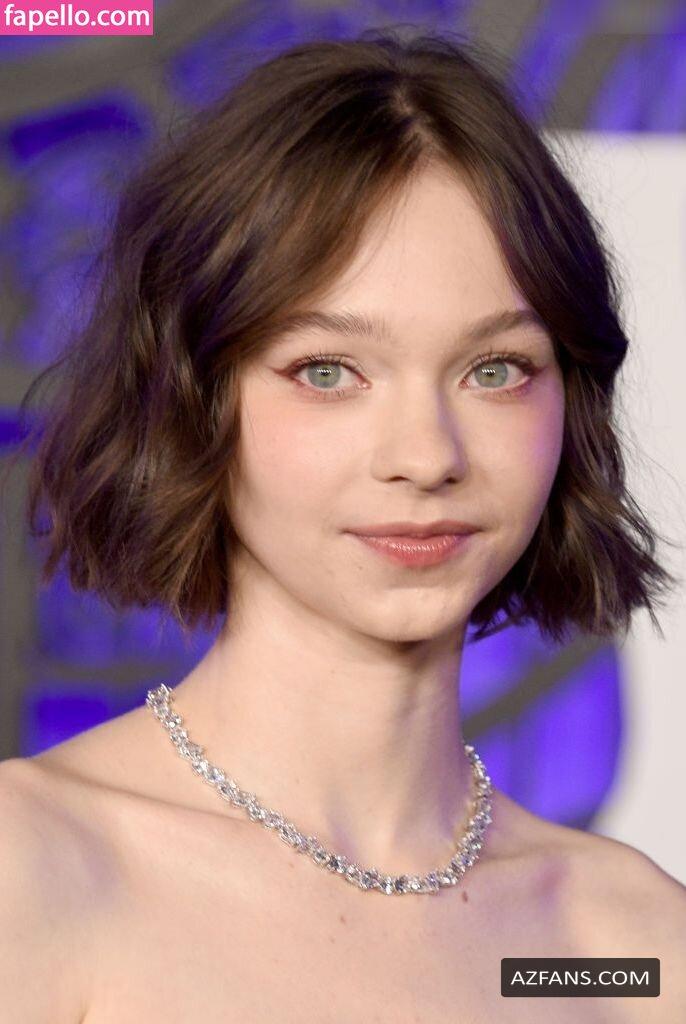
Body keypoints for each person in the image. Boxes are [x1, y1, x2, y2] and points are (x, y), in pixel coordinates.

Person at [1, 28, 684, 1022]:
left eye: (494, 369)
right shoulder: (36, 873)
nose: (426, 454)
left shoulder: (619, 949)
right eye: (328, 372)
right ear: (195, 400)